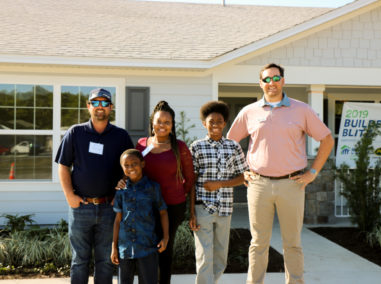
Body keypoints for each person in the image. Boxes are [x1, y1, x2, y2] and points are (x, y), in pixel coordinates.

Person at [227, 63, 334, 284]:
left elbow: (326, 139)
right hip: (258, 185)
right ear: (260, 83)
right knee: (258, 243)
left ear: (283, 80)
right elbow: (230, 143)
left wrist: (313, 172)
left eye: (275, 78)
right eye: (266, 79)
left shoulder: (302, 109)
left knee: (292, 243)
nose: (271, 83)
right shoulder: (249, 112)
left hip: (292, 184)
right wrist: (241, 170)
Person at [55, 88, 134, 284]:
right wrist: (69, 196)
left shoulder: (121, 136)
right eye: (96, 103)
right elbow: (63, 165)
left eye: (105, 103)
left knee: (106, 261)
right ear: (88, 106)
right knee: (79, 261)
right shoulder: (76, 132)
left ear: (111, 107)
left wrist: (121, 191)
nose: (100, 107)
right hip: (81, 207)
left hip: (109, 207)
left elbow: (131, 168)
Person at [117, 100, 195, 284]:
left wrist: (177, 194)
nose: (162, 125)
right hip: (146, 206)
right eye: (159, 121)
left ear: (172, 125)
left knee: (164, 249)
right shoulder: (142, 145)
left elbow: (190, 179)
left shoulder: (180, 147)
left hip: (172, 207)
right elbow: (133, 169)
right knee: (147, 249)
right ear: (152, 122)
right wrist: (123, 181)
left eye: (167, 122)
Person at [189, 101, 249, 284]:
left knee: (221, 256)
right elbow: (191, 181)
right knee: (204, 255)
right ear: (204, 124)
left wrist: (220, 184)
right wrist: (191, 212)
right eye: (211, 121)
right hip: (202, 207)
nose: (215, 124)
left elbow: (245, 176)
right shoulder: (197, 147)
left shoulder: (234, 147)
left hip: (225, 207)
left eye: (219, 121)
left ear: (225, 124)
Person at [111, 149, 169, 284]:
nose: (131, 167)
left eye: (134, 163)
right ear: (122, 167)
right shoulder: (121, 191)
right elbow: (117, 220)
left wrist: (165, 238)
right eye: (126, 165)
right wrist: (114, 247)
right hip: (125, 248)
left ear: (142, 164)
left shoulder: (153, 187)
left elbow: (163, 212)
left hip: (147, 246)